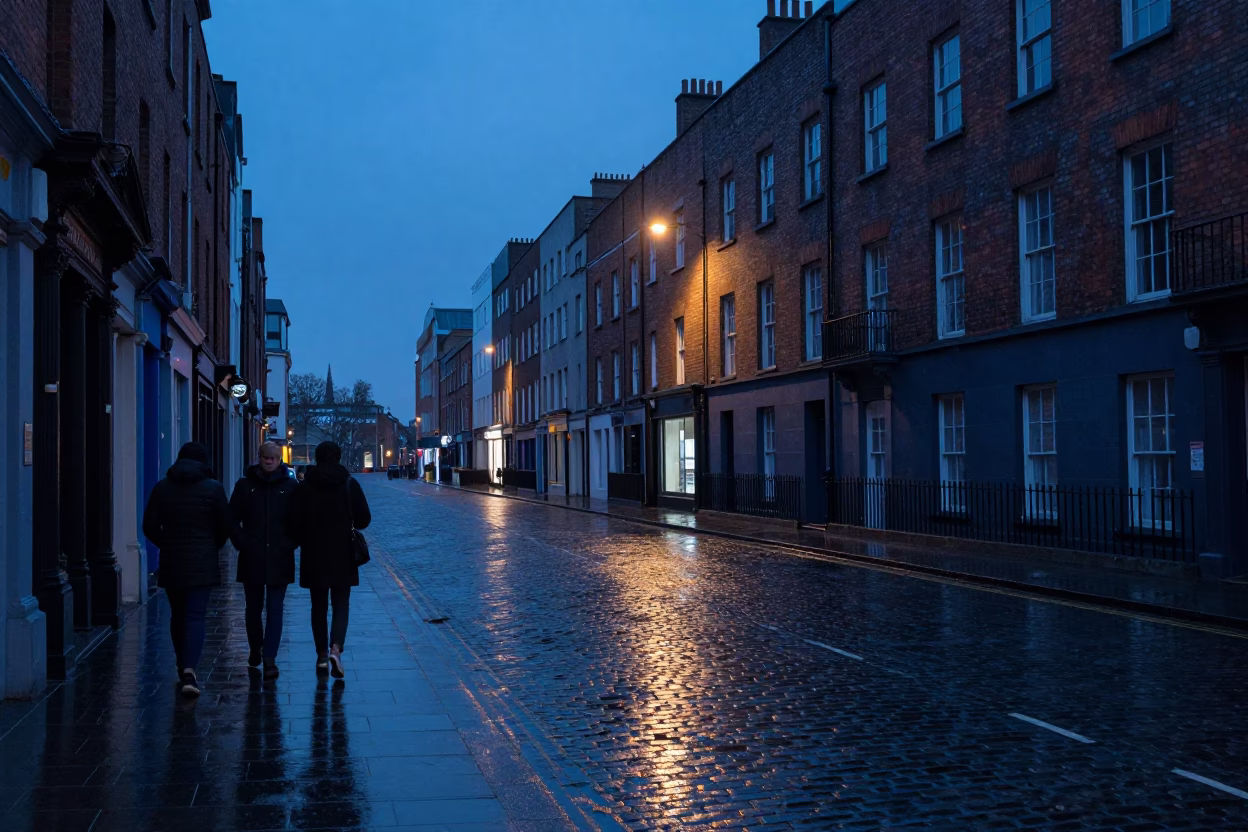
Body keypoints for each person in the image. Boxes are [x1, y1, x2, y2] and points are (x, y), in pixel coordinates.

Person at [142, 441, 230, 697]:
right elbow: (225, 525)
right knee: (195, 615)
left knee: (178, 614)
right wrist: (212, 545)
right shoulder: (213, 488)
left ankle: (182, 663)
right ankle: (190, 667)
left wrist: (166, 543)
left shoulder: (162, 488)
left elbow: (149, 525)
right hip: (202, 561)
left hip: (173, 559)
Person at [286, 441, 371, 679]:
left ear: (316, 458)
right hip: (343, 551)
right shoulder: (348, 484)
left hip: (314, 552)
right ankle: (336, 649)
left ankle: (321, 655)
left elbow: (292, 521)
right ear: (338, 457)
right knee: (341, 604)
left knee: (318, 606)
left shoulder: (305, 486)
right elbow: (364, 519)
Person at [229, 442, 298, 679]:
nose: (269, 461)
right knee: (253, 609)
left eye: (273, 458)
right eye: (265, 458)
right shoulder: (245, 485)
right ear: (259, 458)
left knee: (275, 609)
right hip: (253, 555)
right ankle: (255, 649)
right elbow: (231, 518)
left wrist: (290, 543)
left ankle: (270, 656)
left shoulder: (290, 486)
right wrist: (242, 542)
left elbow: (300, 520)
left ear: (280, 460)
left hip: (280, 555)